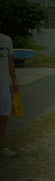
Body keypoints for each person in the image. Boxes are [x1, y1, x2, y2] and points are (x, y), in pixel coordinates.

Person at [0, 29, 19, 157]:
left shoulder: (6, 40)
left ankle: (1, 148)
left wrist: (14, 80)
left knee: (3, 117)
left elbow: (10, 62)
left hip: (4, 84)